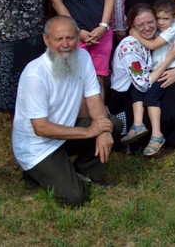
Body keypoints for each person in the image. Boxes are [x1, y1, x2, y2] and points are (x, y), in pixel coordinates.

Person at [12, 16, 117, 207]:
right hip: (38, 147)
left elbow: (94, 99)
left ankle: (86, 173)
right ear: (46, 40)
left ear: (78, 37)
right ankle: (35, 172)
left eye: (70, 38)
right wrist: (89, 132)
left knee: (112, 124)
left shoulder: (83, 57)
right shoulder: (35, 74)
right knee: (74, 198)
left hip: (65, 134)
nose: (65, 44)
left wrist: (102, 129)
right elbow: (41, 128)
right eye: (58, 39)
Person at [116, 2, 175, 157]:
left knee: (165, 92)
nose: (147, 27)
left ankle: (160, 135)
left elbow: (157, 47)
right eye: (140, 25)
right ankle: (139, 127)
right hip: (126, 95)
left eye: (151, 22)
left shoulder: (161, 33)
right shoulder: (129, 47)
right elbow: (143, 83)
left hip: (151, 80)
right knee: (144, 93)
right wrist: (169, 61)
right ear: (132, 25)